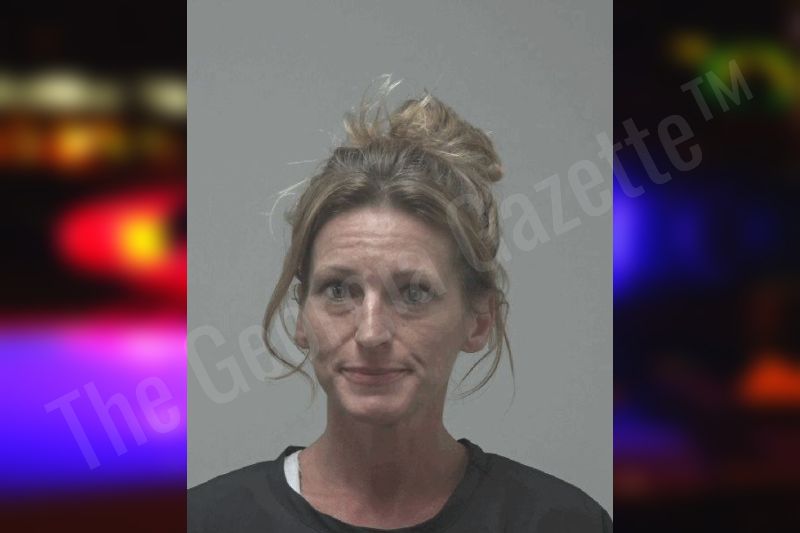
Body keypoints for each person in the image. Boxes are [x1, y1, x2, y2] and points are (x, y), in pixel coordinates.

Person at [188, 81, 612, 532]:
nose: (371, 333)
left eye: (413, 294)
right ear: (301, 317)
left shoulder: (560, 522)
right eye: (339, 290)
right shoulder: (206, 521)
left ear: (478, 320)